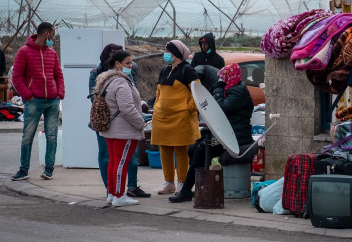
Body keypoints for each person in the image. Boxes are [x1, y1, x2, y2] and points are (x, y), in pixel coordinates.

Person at [169, 63, 255, 203]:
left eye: (223, 77)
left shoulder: (239, 92)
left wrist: (218, 91)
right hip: (228, 135)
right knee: (193, 149)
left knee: (200, 152)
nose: (221, 80)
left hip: (238, 139)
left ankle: (187, 191)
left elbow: (221, 109)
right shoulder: (230, 89)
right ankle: (199, 186)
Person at [89, 43, 150, 198]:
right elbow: (127, 108)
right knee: (120, 163)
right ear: (118, 64)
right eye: (128, 63)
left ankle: (112, 193)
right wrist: (140, 123)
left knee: (114, 162)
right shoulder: (121, 81)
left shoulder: (105, 79)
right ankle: (119, 196)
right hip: (123, 130)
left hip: (111, 128)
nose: (131, 66)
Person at [11, 22, 65, 181]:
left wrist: (60, 93)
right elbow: (17, 77)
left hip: (52, 100)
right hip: (34, 101)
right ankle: (23, 170)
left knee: (52, 135)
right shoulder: (24, 52)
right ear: (46, 33)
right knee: (27, 136)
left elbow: (58, 75)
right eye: (53, 34)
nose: (53, 38)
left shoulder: (52, 53)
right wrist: (28, 95)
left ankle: (49, 169)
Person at [151, 40, 200, 195]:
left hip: (180, 117)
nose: (165, 53)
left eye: (167, 50)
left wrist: (189, 109)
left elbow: (198, 91)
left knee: (180, 150)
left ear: (176, 54)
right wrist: (157, 105)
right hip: (161, 117)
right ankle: (169, 182)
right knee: (164, 149)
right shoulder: (165, 70)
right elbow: (159, 91)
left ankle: (182, 182)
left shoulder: (187, 70)